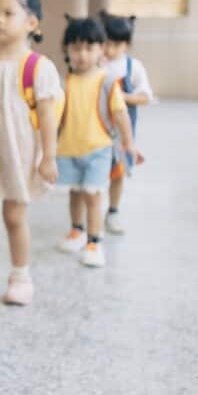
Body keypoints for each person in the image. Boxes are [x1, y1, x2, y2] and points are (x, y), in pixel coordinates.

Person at [0, 0, 64, 306]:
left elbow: (49, 117)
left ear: (31, 23)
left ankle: (21, 275)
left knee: (14, 216)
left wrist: (48, 157)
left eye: (9, 13)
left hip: (19, 153)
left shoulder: (38, 67)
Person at [54, 16, 141, 268]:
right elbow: (54, 116)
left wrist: (128, 142)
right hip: (68, 149)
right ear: (67, 50)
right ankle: (76, 230)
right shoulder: (63, 82)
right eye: (76, 48)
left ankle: (94, 241)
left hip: (98, 150)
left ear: (101, 49)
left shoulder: (105, 82)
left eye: (89, 48)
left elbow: (121, 113)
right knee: (74, 192)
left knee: (92, 195)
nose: (82, 54)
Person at [99, 11, 154, 235]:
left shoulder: (133, 68)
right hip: (97, 130)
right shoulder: (96, 64)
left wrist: (120, 97)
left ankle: (113, 211)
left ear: (126, 45)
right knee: (95, 172)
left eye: (115, 45)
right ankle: (88, 216)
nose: (109, 50)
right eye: (106, 44)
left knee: (118, 173)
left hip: (122, 134)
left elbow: (145, 97)